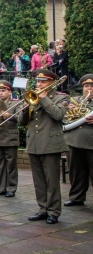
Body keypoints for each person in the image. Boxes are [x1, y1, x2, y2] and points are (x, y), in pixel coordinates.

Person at [20, 69, 69, 224]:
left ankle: (54, 211)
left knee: (51, 180)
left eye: (43, 81)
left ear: (52, 83)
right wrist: (25, 108)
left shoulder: (61, 97)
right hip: (34, 143)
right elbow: (22, 122)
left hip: (50, 143)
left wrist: (44, 98)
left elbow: (58, 115)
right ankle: (43, 209)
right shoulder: (33, 97)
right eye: (38, 81)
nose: (39, 84)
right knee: (39, 180)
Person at [64, 74, 93, 207]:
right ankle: (76, 197)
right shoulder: (74, 101)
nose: (89, 88)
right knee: (76, 172)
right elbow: (63, 118)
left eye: (92, 86)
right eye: (86, 86)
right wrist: (67, 111)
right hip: (74, 141)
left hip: (91, 142)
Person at [0, 81, 19, 198]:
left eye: (3, 91)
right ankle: (2, 187)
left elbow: (21, 119)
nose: (1, 93)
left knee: (11, 164)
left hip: (9, 137)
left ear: (9, 91)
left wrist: (10, 116)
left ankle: (11, 188)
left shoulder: (15, 103)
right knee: (0, 164)